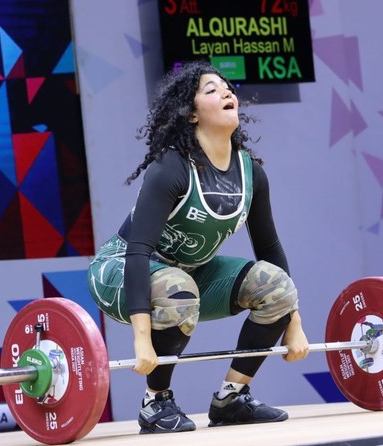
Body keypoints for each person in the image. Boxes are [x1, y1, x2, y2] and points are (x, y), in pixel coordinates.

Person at [87, 60, 309, 434]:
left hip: (189, 275)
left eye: (227, 87)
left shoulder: (250, 171)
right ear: (191, 115)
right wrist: (142, 339)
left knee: (275, 286)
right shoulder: (171, 167)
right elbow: (138, 251)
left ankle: (232, 398)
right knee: (178, 289)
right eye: (211, 90)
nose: (226, 92)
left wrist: (294, 322)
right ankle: (154, 401)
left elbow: (269, 247)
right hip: (120, 272)